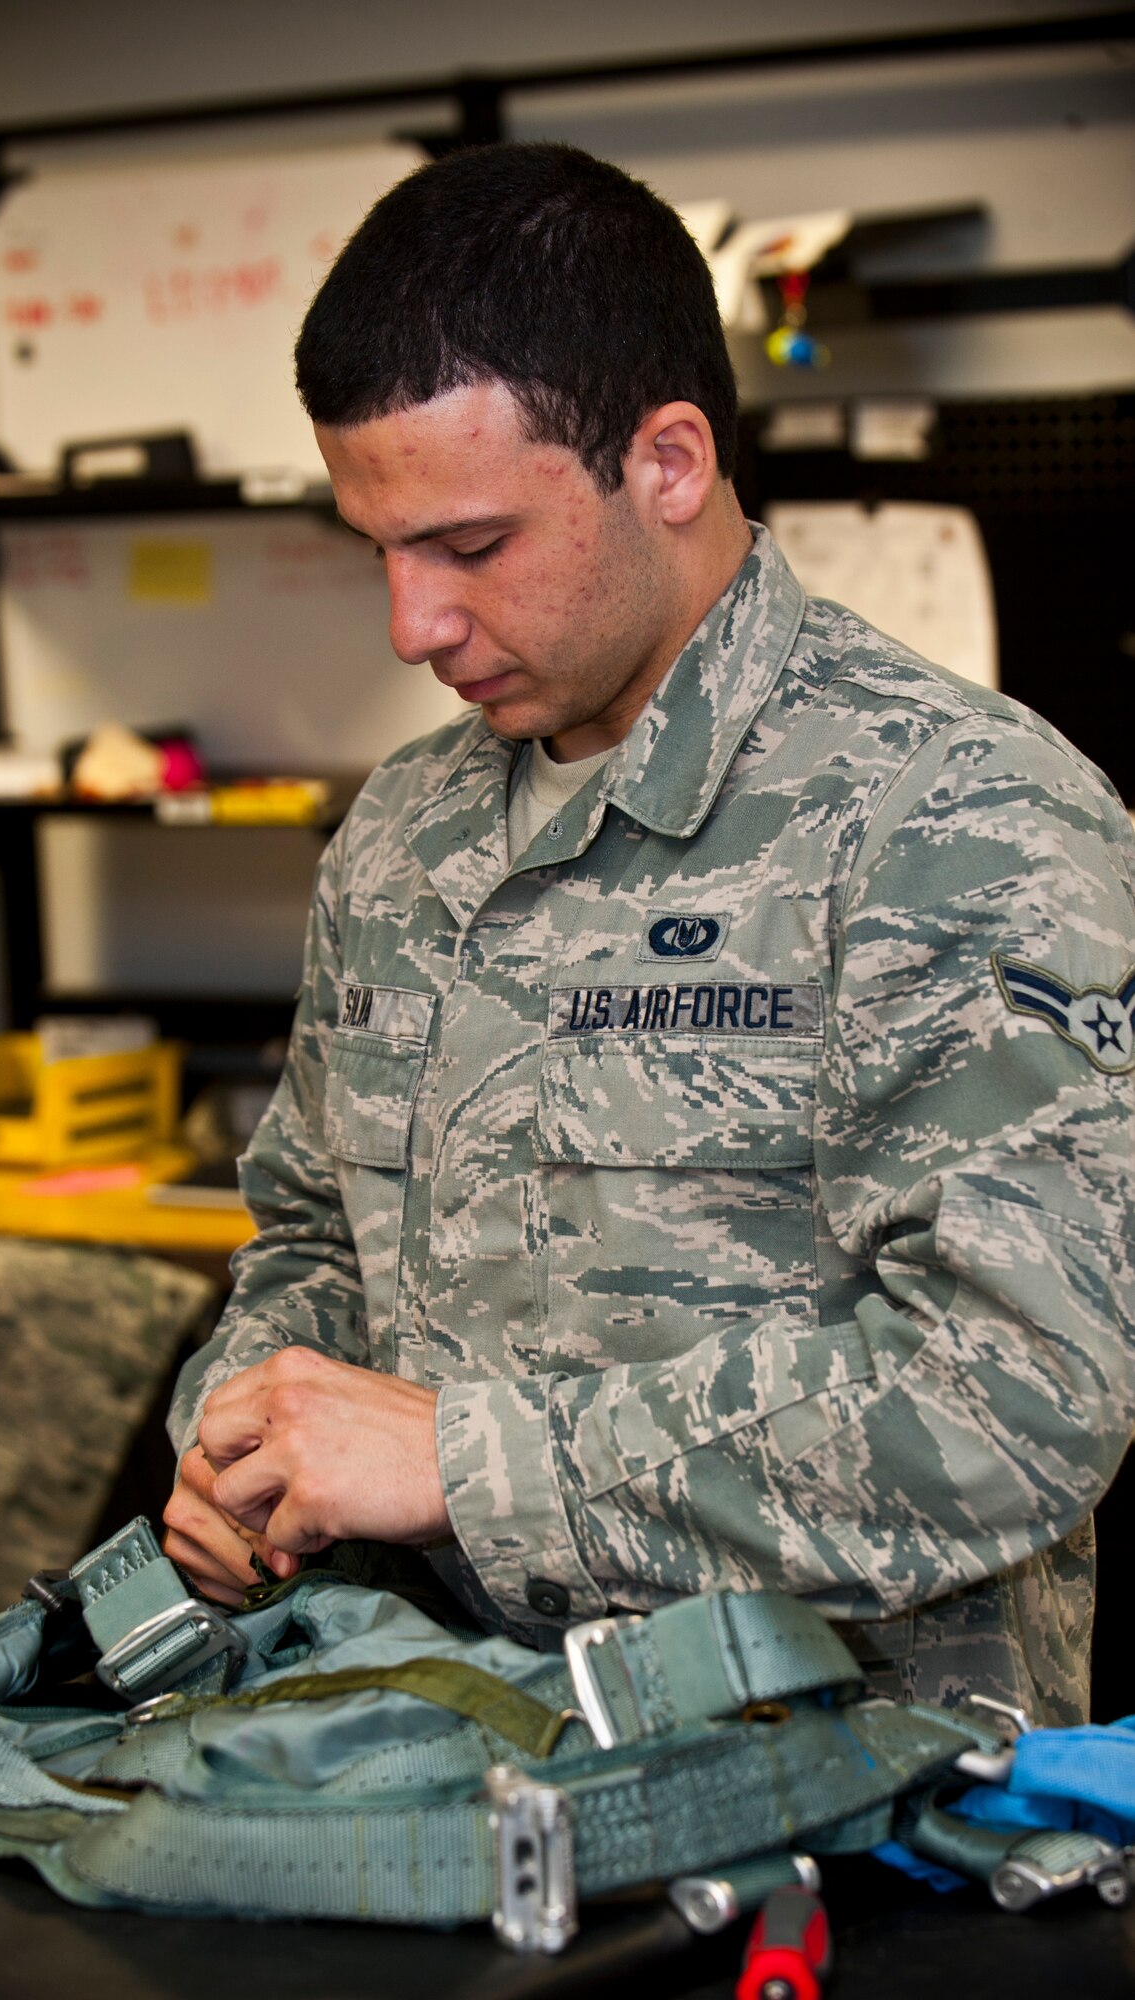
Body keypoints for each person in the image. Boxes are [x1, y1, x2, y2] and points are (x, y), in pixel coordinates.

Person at [163, 141, 1135, 1724]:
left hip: (842, 1801)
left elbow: (1016, 1399)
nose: (414, 626)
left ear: (668, 462)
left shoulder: (959, 820)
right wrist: (244, 1438)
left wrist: (462, 1464)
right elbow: (310, 1239)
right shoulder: (404, 833)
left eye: (471, 548)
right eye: (383, 552)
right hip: (425, 1751)